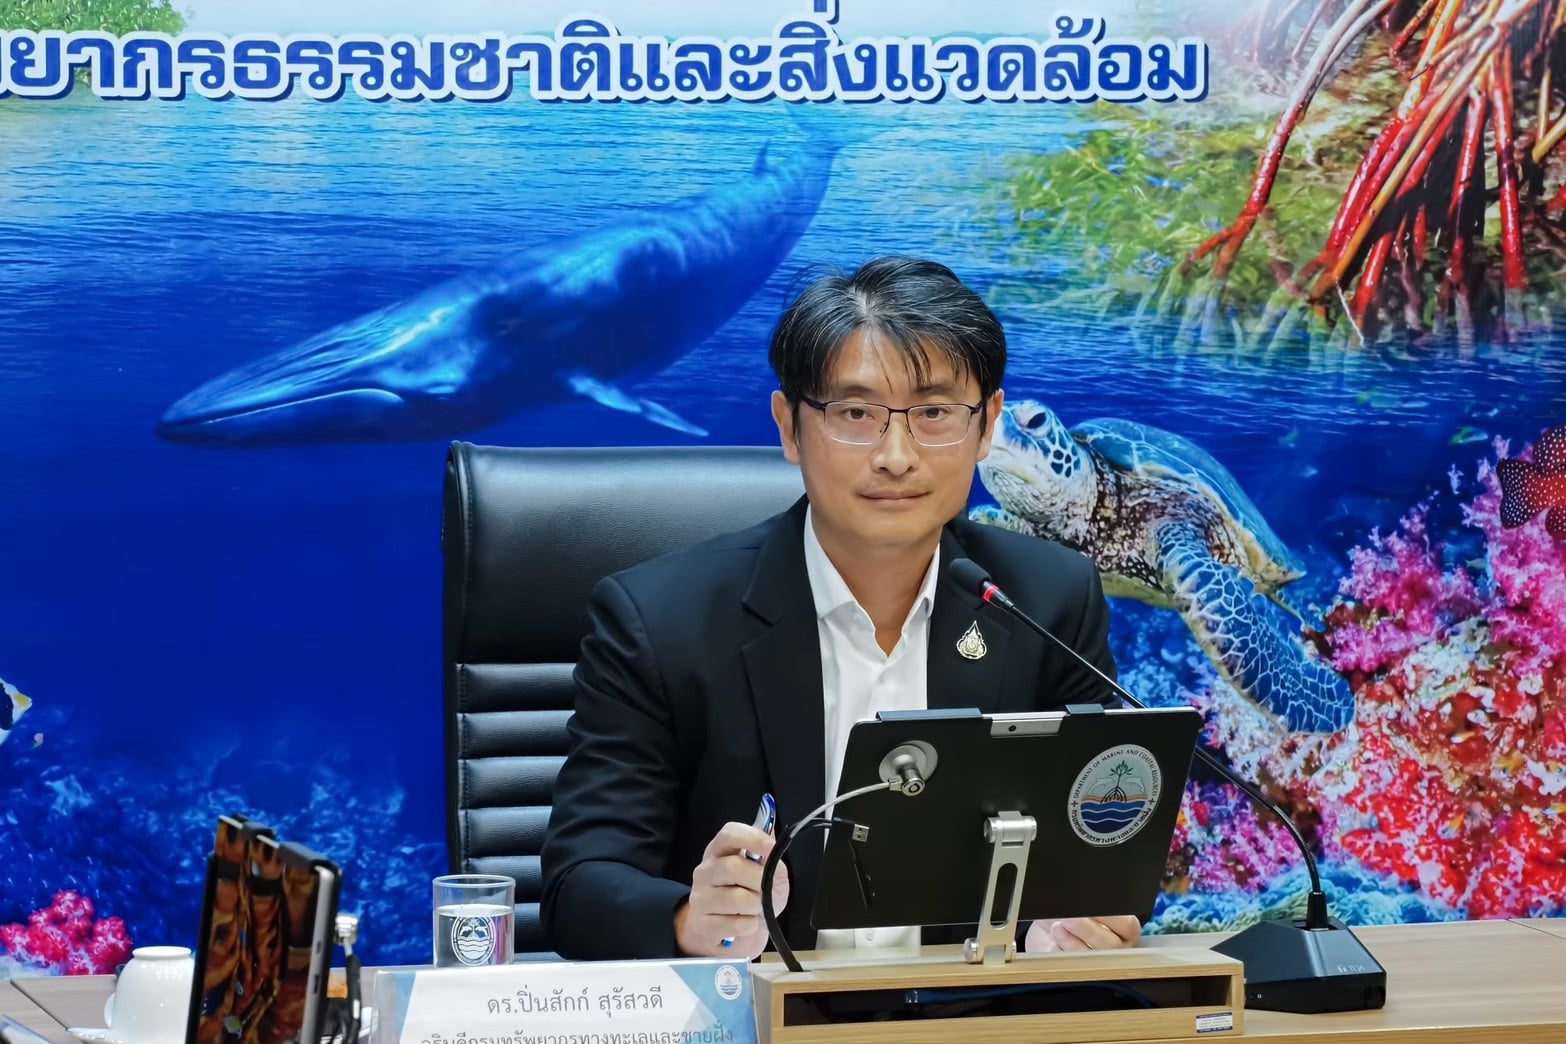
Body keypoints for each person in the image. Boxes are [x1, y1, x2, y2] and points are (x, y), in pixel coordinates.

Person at [539, 256, 1141, 961]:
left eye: (934, 413)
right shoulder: (660, 620)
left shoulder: (1044, 601)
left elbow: (1100, 840)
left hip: (971, 1012)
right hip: (761, 1012)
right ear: (789, 427)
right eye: (856, 414)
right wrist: (687, 919)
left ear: (987, 427)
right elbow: (579, 887)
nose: (896, 456)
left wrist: (1063, 923)